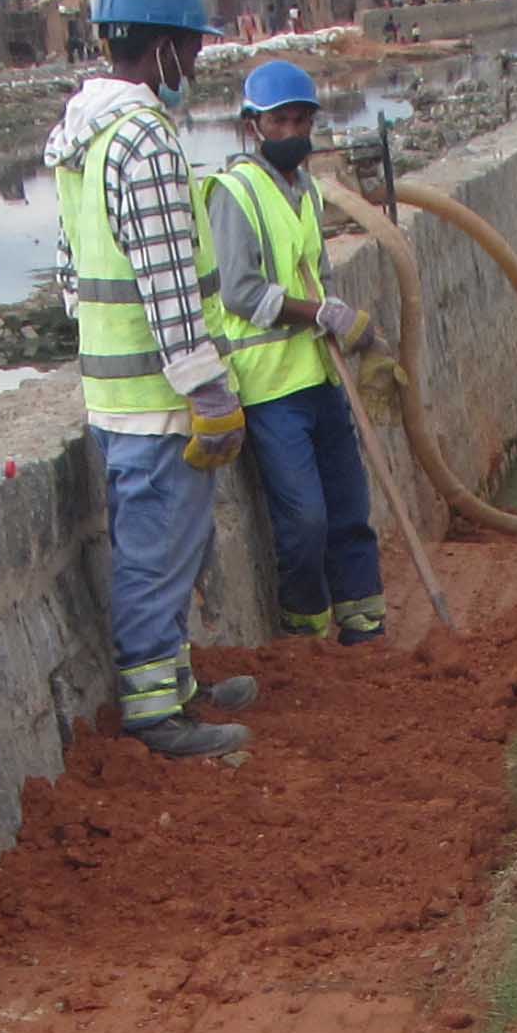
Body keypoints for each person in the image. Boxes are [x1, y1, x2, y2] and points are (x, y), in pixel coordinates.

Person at [43, 0, 260, 758]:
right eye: (193, 51)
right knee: (158, 551)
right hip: (157, 399)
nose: (195, 66)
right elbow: (169, 284)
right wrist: (206, 388)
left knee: (169, 547)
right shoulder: (146, 143)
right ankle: (154, 712)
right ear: (165, 50)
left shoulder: (81, 135)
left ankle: (177, 683)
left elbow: (72, 274)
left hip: (115, 389)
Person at [202, 59, 384, 646]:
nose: (295, 132)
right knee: (304, 518)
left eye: (303, 120)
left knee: (350, 506)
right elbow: (240, 290)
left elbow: (316, 275)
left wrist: (345, 322)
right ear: (255, 126)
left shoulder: (304, 190)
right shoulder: (236, 193)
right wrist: (318, 313)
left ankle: (364, 624)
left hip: (320, 375)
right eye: (282, 121)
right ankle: (305, 632)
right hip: (270, 386)